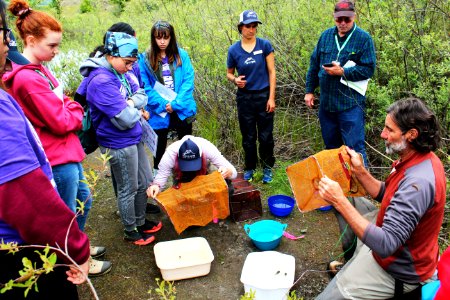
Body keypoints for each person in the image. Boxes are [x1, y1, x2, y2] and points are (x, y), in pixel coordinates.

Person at [3, 0, 111, 276]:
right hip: (57, 155)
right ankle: (69, 261)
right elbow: (63, 120)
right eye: (51, 45)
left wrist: (69, 106)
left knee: (82, 203)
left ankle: (79, 247)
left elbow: (66, 102)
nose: (56, 51)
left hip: (67, 151)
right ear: (30, 40)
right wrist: (72, 110)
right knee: (64, 213)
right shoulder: (28, 79)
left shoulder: (41, 70)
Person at [316, 97, 446, 299]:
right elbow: (388, 192)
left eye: (389, 130)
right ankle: (352, 261)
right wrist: (360, 172)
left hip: (400, 268)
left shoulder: (418, 184)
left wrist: (338, 200)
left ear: (411, 134)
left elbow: (386, 244)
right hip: (392, 242)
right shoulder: (415, 157)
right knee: (351, 199)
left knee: (332, 295)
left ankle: (354, 279)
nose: (382, 134)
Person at [78, 30, 162, 246]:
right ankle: (131, 229)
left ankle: (140, 220)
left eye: (133, 62)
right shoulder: (100, 81)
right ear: (111, 55)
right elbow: (123, 120)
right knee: (128, 187)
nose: (131, 67)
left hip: (134, 138)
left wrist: (131, 103)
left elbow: (141, 94)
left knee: (144, 181)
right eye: (127, 62)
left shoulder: (122, 72)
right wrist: (133, 107)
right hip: (117, 143)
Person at [304, 0, 376, 167]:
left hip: (350, 105)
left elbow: (368, 70)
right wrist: (309, 91)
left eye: (347, 19)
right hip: (327, 105)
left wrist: (343, 72)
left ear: (354, 17)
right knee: (331, 149)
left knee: (355, 149)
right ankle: (338, 187)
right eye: (339, 19)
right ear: (334, 17)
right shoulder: (326, 36)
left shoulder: (363, 38)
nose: (343, 23)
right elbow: (314, 65)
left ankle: (359, 190)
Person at [138, 20, 197, 175]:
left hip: (181, 107)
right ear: (153, 38)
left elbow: (188, 80)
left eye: (166, 37)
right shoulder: (145, 59)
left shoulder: (181, 55)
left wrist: (175, 104)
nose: (162, 41)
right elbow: (145, 87)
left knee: (186, 143)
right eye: (158, 38)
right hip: (159, 110)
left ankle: (187, 174)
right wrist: (164, 104)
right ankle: (158, 177)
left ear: (171, 37)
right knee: (159, 146)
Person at [226, 9, 276, 184]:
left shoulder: (265, 46)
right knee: (248, 136)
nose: (252, 29)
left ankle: (267, 168)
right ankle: (249, 167)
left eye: (254, 26)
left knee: (266, 136)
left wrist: (271, 98)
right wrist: (235, 80)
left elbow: (272, 72)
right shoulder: (233, 50)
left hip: (263, 96)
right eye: (248, 26)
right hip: (245, 99)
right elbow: (229, 74)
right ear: (240, 27)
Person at [147, 135, 237, 198]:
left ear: (201, 155)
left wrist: (228, 171)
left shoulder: (207, 147)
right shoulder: (170, 154)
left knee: (228, 189)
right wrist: (156, 187)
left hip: (204, 171)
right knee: (183, 199)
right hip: (182, 175)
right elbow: (160, 178)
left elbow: (234, 173)